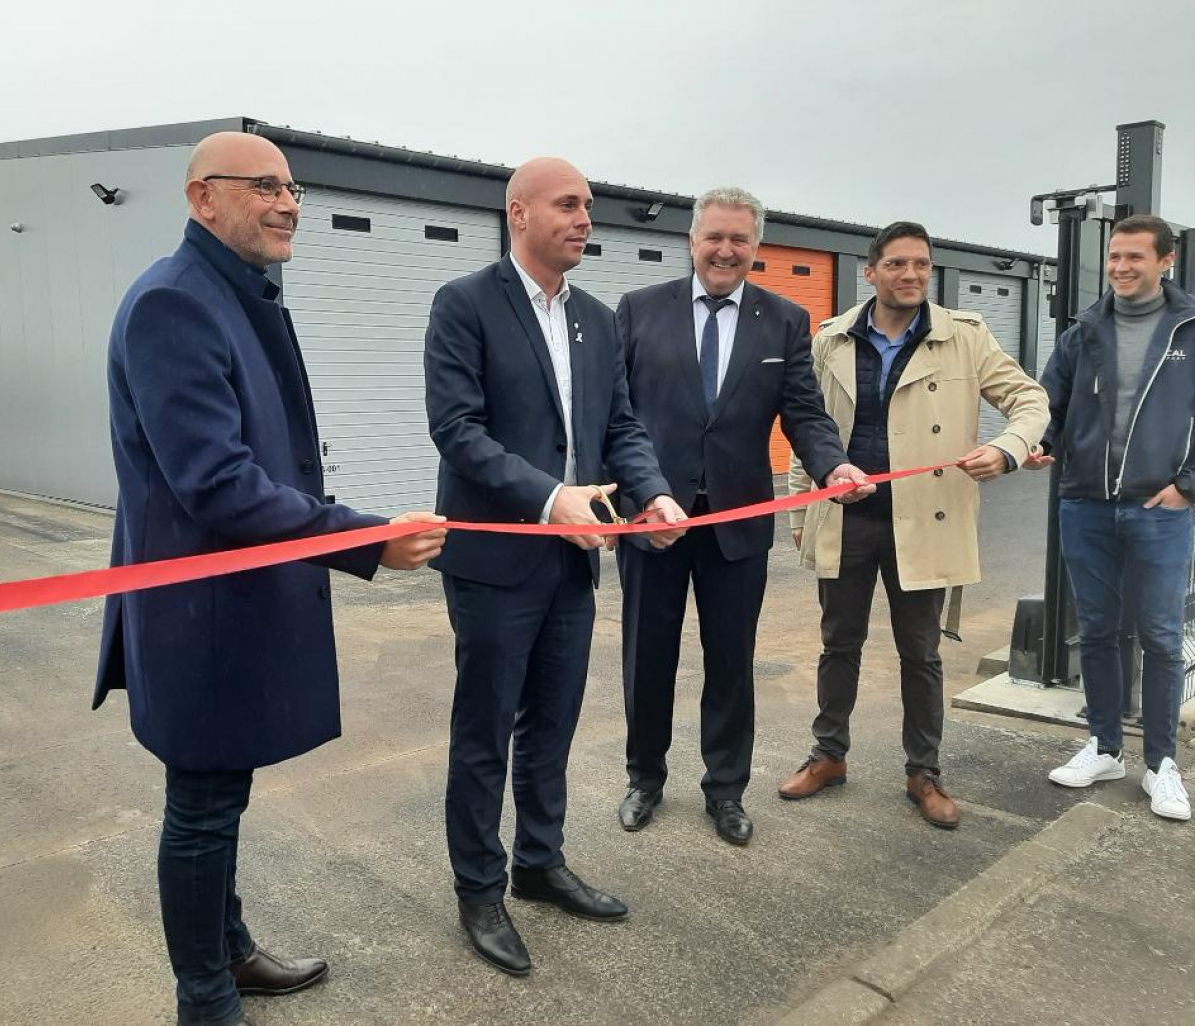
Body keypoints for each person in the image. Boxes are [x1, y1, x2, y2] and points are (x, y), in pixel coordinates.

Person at [93, 131, 446, 1026]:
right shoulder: (174, 304)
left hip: (233, 605)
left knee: (223, 791)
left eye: (293, 187)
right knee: (203, 804)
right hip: (198, 614)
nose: (289, 202)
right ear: (201, 197)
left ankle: (229, 948)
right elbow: (215, 482)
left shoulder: (235, 292)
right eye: (265, 186)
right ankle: (205, 997)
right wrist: (364, 540)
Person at [424, 157, 687, 976]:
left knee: (554, 722)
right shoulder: (464, 304)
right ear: (519, 212)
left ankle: (539, 862)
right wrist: (550, 500)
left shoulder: (598, 321)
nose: (585, 219)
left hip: (576, 563)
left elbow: (621, 427)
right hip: (498, 559)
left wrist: (653, 497)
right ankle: (479, 888)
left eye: (589, 207)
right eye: (569, 205)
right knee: (485, 732)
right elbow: (458, 430)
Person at [613, 187, 870, 846]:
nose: (726, 250)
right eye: (714, 237)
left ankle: (725, 789)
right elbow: (615, 414)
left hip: (737, 523)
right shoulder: (639, 311)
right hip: (654, 518)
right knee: (647, 658)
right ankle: (645, 777)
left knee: (731, 661)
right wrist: (631, 495)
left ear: (756, 248)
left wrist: (832, 465)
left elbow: (804, 413)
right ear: (692, 241)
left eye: (740, 240)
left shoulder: (783, 320)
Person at [781, 221, 1049, 829]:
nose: (911, 276)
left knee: (920, 653)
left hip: (924, 519)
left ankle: (922, 772)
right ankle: (828, 756)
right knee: (838, 643)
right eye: (897, 265)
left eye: (921, 266)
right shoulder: (831, 338)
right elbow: (808, 428)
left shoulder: (966, 338)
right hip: (846, 516)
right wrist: (801, 508)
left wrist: (1008, 447)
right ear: (870, 272)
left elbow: (1030, 400)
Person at [1036, 213, 1193, 822]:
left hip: (1161, 509)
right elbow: (1049, 401)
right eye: (1114, 257)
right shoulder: (1085, 330)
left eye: (1134, 257)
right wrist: (1034, 442)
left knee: (1158, 636)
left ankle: (1160, 764)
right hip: (1085, 503)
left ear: (1165, 261)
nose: (1121, 267)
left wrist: (1188, 488)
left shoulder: (1189, 328)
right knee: (1098, 631)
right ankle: (1104, 747)